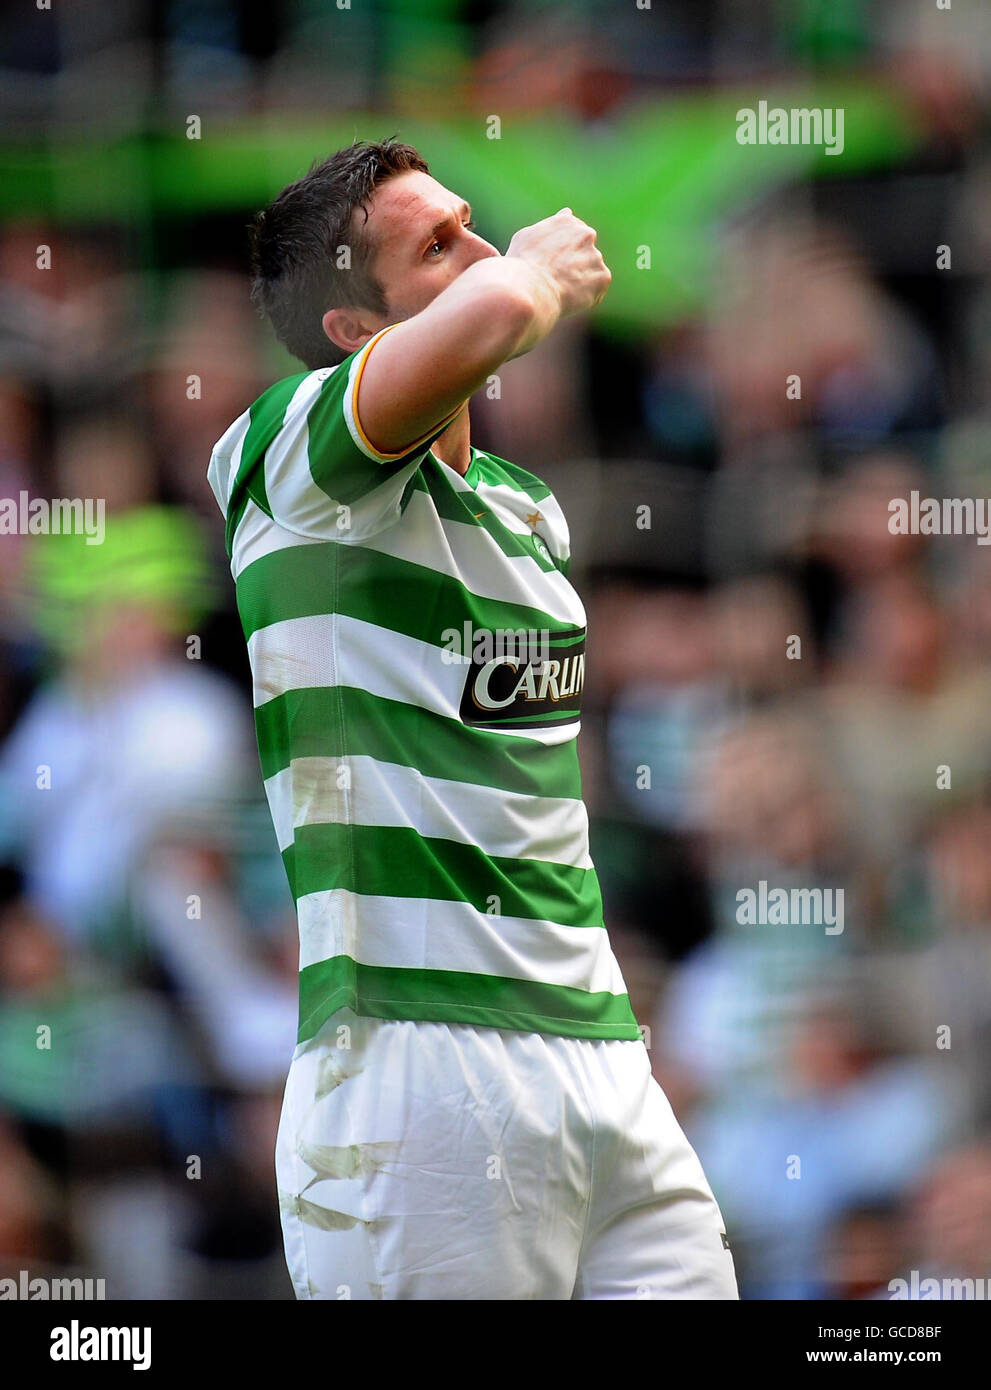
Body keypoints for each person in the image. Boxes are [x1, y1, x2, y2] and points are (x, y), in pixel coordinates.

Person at [207, 137, 737, 1300]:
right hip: (414, 1066)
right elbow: (506, 300)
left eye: (470, 225)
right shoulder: (287, 462)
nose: (484, 250)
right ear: (355, 332)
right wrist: (531, 274)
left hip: (600, 1054)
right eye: (436, 245)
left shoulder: (523, 512)